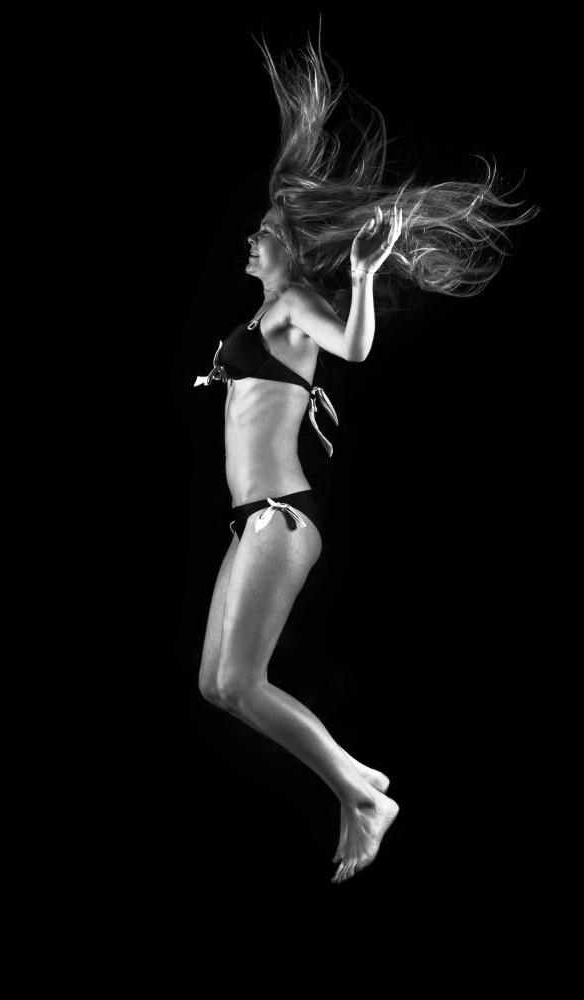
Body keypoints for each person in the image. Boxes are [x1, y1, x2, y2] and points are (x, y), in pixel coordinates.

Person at [193, 21, 539, 885]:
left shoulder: (292, 305)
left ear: (290, 247)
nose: (250, 240)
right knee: (216, 686)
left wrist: (360, 273)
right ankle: (359, 787)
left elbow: (352, 347)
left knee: (242, 683)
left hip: (278, 516)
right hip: (252, 519)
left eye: (263, 232)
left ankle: (359, 793)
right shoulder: (260, 318)